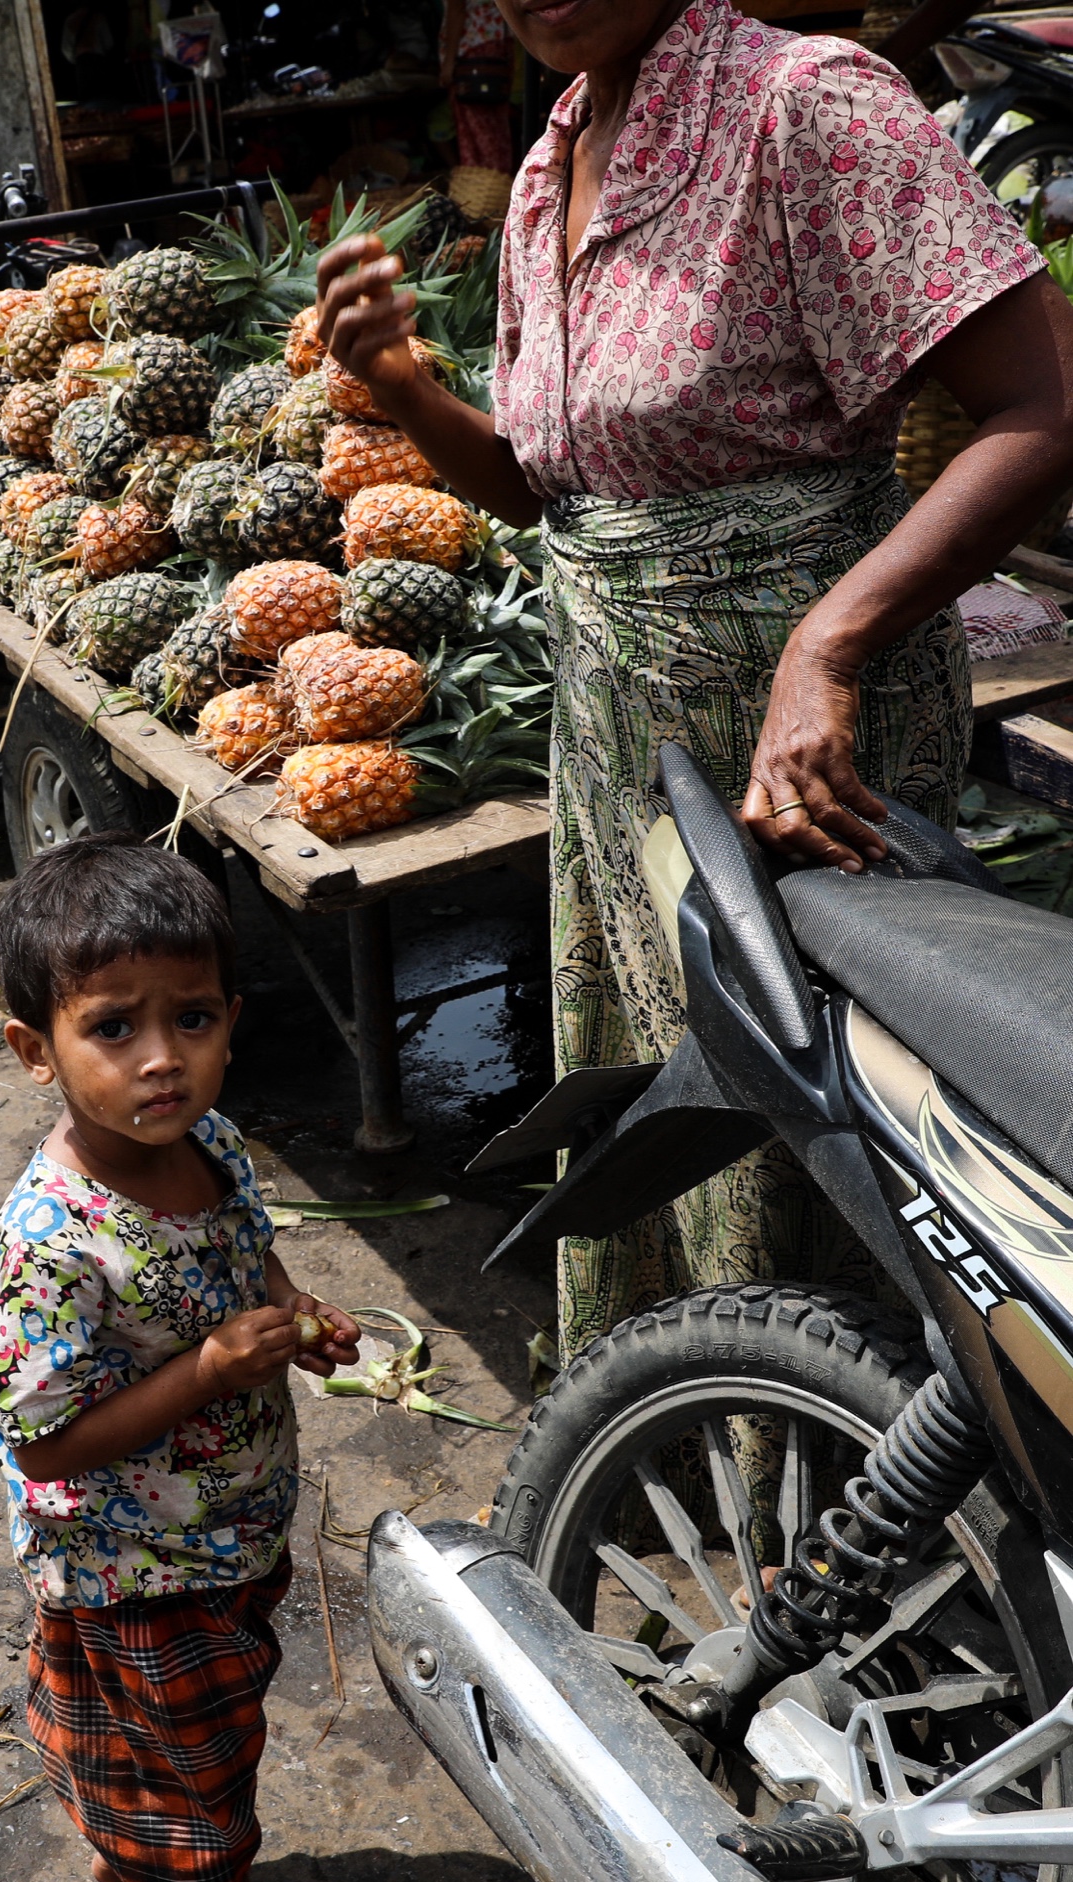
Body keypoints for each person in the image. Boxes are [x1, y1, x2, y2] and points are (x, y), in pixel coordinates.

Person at [316, 0, 1073, 1364]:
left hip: (798, 745)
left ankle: (870, 1484)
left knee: (818, 1119)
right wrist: (407, 389)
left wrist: (827, 648)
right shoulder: (554, 148)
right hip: (621, 735)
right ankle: (713, 1421)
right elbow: (557, 489)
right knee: (673, 1087)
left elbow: (1044, 405)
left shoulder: (806, 106)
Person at [0, 835, 368, 1882]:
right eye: (114, 1028)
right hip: (136, 1564)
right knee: (201, 1767)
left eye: (191, 1020)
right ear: (35, 1049)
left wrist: (294, 1313)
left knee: (140, 1735)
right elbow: (38, 1443)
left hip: (218, 1530)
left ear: (232, 1019)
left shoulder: (210, 1146)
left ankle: (130, 1841)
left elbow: (251, 1259)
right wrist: (204, 1371)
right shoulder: (48, 1248)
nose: (161, 1061)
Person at [440, 0, 514, 173]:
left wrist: (448, 61)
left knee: (477, 130)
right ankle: (497, 182)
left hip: (474, 50)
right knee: (496, 127)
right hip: (497, 45)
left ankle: (485, 187)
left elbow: (456, 9)